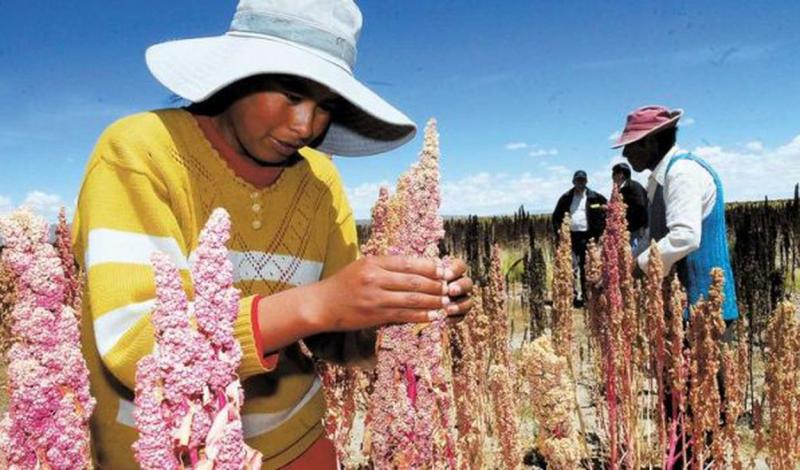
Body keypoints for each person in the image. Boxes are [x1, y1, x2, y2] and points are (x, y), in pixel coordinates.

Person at [72, 1, 474, 468]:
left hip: (297, 444)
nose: (305, 126)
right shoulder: (140, 152)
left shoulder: (320, 181)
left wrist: (406, 309)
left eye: (325, 107)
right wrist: (317, 304)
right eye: (290, 94)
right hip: (167, 454)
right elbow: (135, 343)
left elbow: (336, 337)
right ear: (236, 74)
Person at [613, 105, 737, 467]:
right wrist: (621, 262)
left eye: (632, 145)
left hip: (702, 306)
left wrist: (636, 267)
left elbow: (684, 237)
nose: (626, 154)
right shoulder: (661, 178)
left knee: (701, 404)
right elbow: (655, 237)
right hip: (682, 307)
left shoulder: (682, 172)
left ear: (652, 142)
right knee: (680, 403)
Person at [551, 170, 607, 307]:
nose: (580, 183)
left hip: (589, 237)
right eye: (578, 180)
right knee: (570, 266)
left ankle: (587, 298)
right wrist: (559, 232)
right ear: (573, 182)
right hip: (571, 237)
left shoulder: (595, 197)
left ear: (586, 181)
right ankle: (572, 297)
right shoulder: (566, 198)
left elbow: (608, 210)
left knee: (587, 266)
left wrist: (602, 231)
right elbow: (556, 217)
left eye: (582, 180)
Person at [611, 162, 648, 249]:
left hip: (637, 229)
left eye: (614, 174)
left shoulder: (634, 187)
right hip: (627, 229)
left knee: (635, 252)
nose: (612, 177)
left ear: (621, 175)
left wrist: (642, 226)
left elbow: (642, 206)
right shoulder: (619, 190)